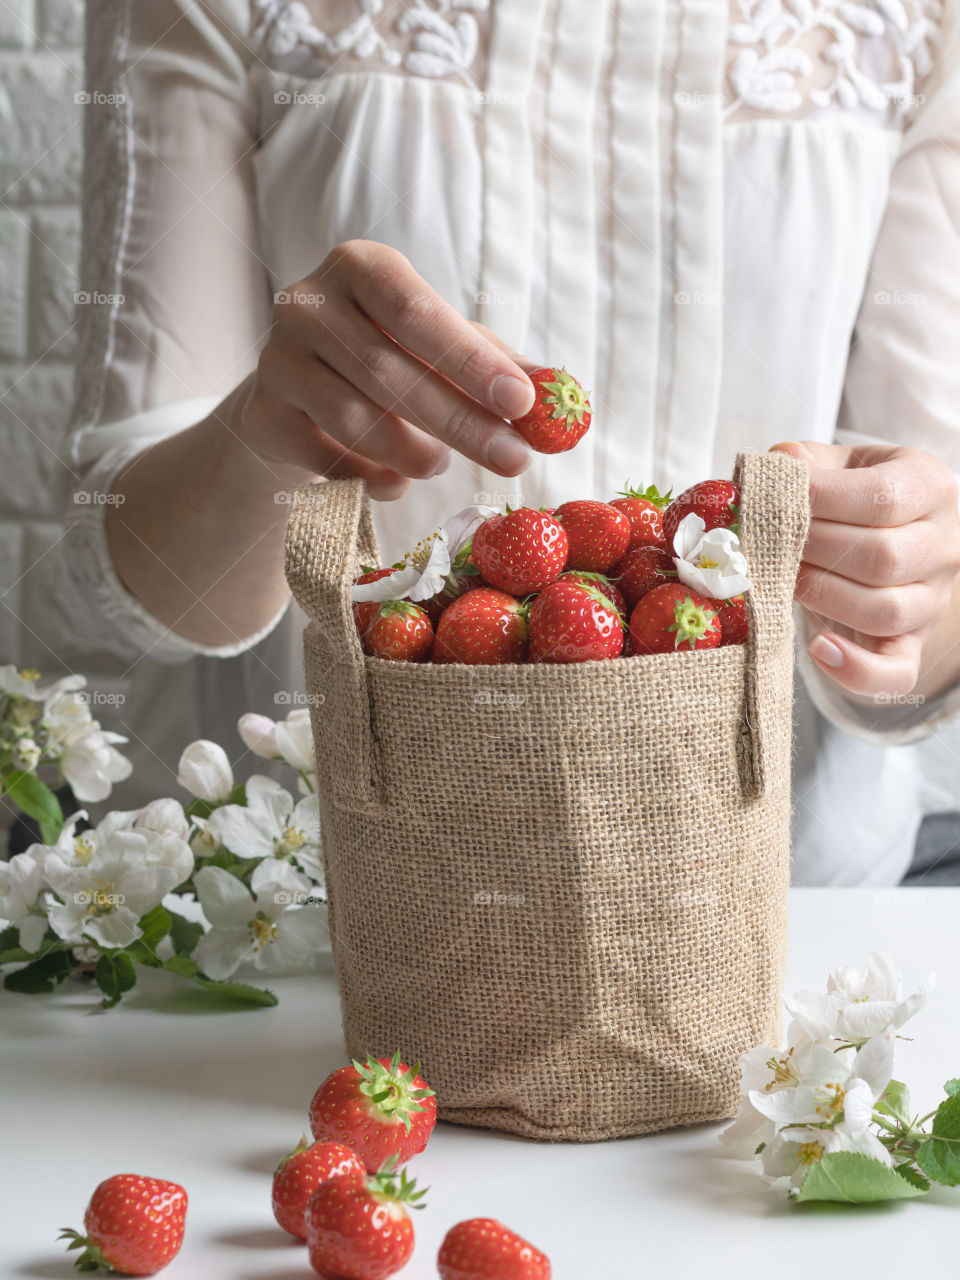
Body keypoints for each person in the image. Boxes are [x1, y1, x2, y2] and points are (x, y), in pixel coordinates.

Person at [66, 0, 960, 884]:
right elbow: (140, 584)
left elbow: (932, 562)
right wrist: (266, 431)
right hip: (324, 893)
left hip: (782, 905)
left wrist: (895, 579)